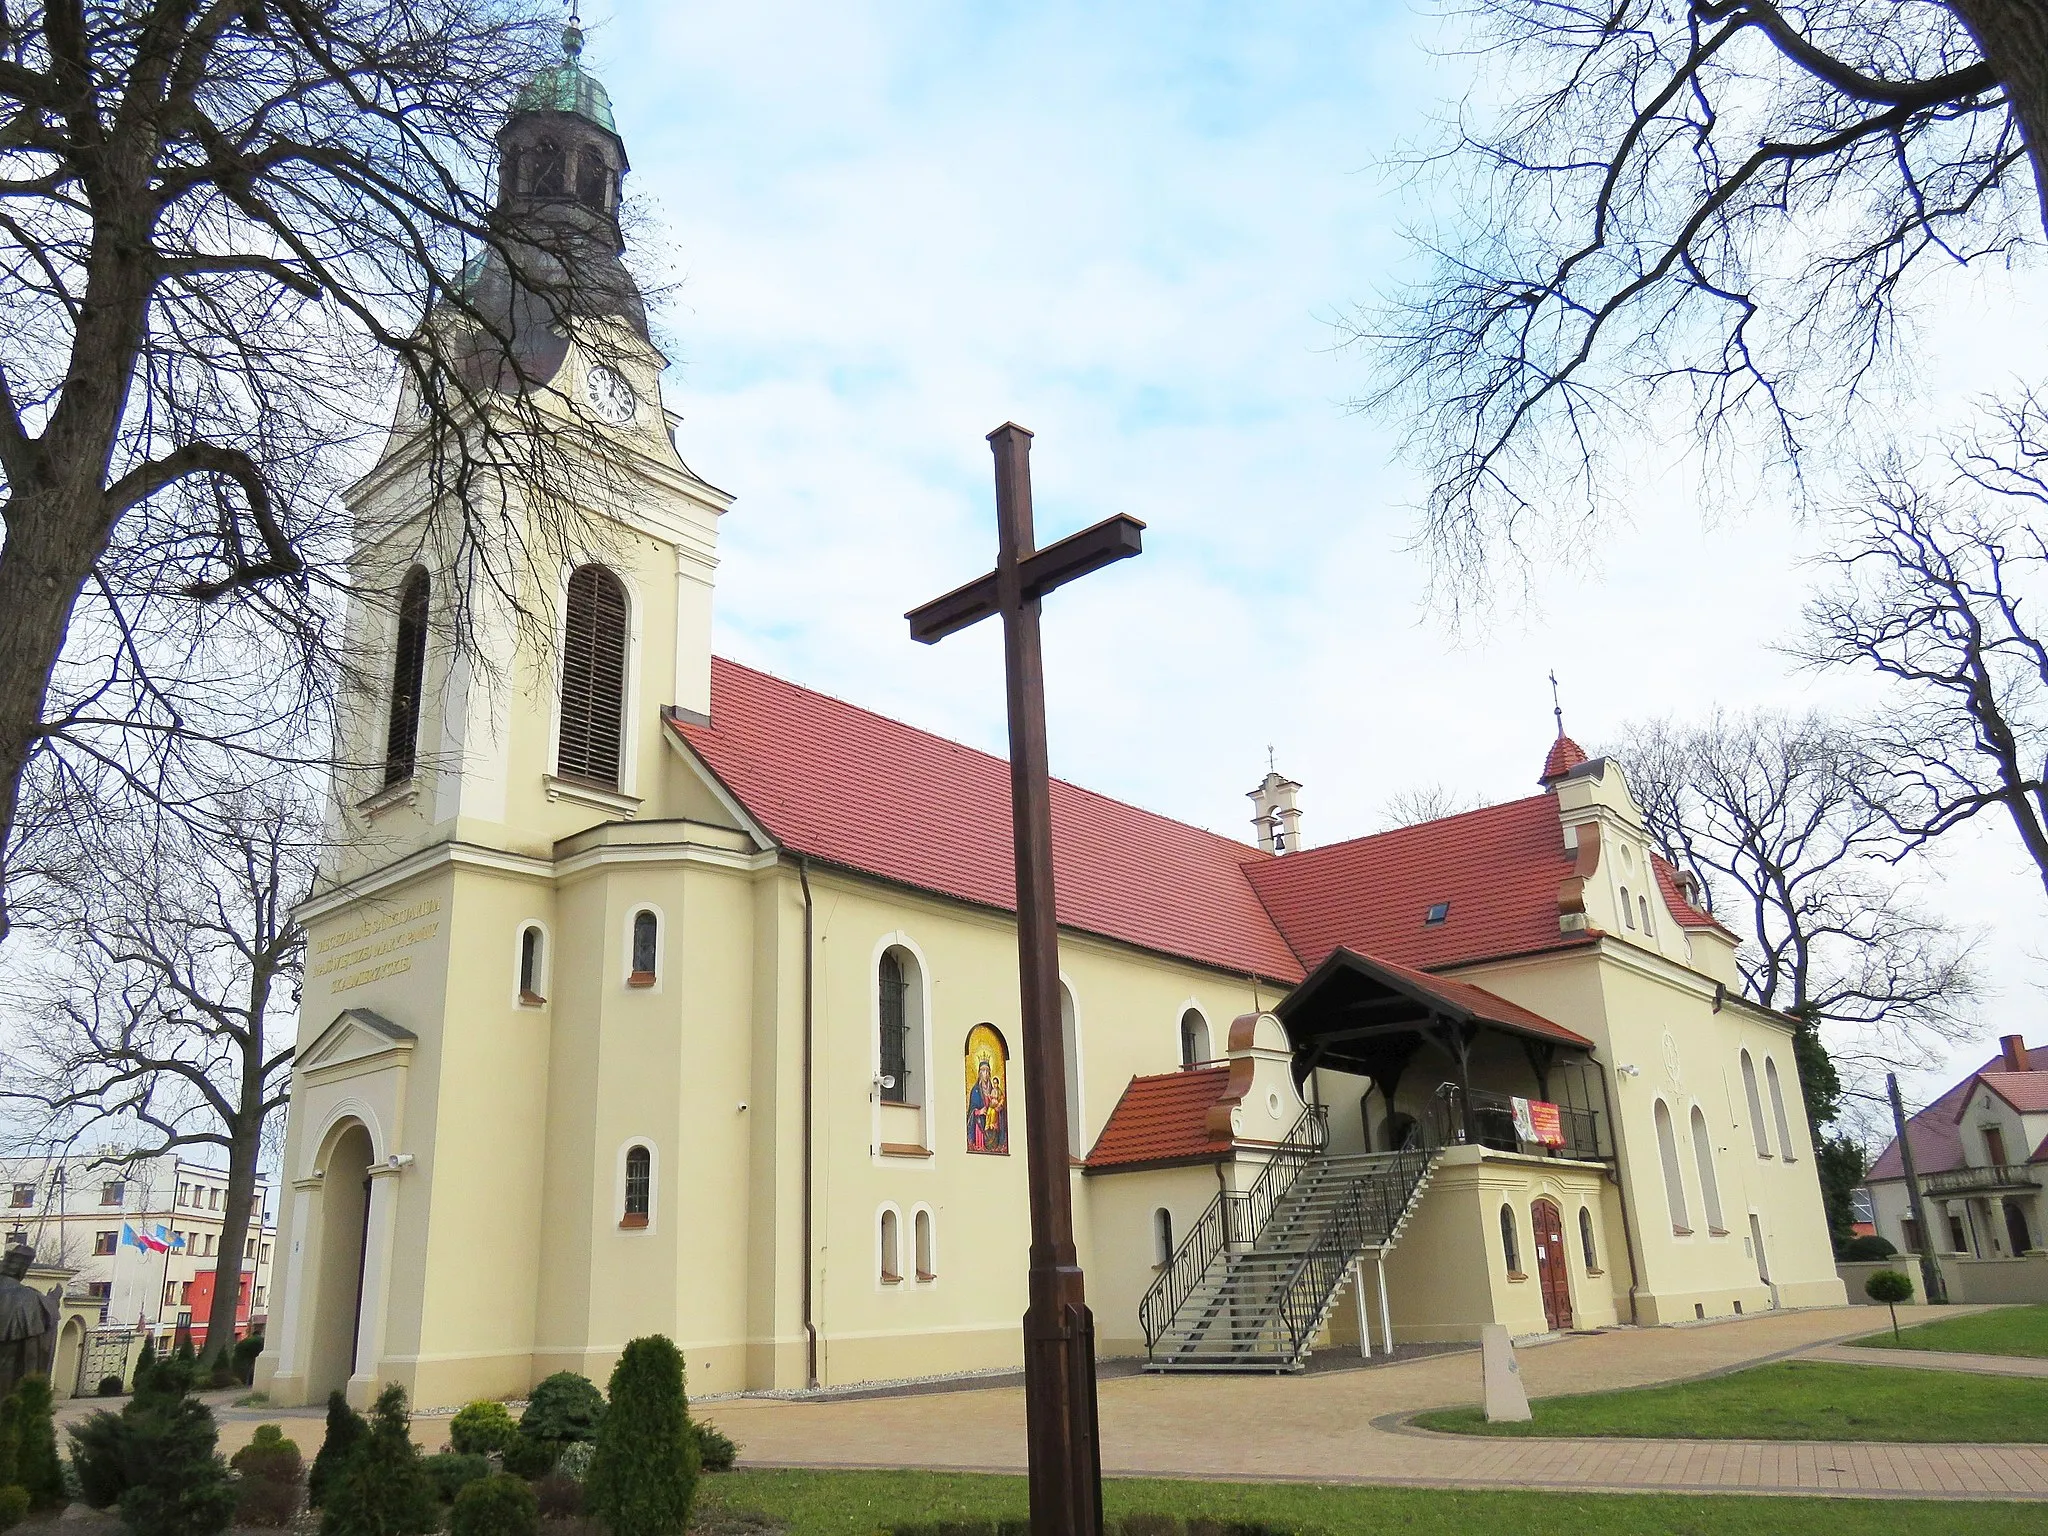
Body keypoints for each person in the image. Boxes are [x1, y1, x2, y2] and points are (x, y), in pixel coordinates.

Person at [0, 1243, 59, 1396]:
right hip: (7, 1382)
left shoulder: (29, 1297)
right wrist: (53, 1299)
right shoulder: (28, 1298)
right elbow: (47, 1315)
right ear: (22, 1270)